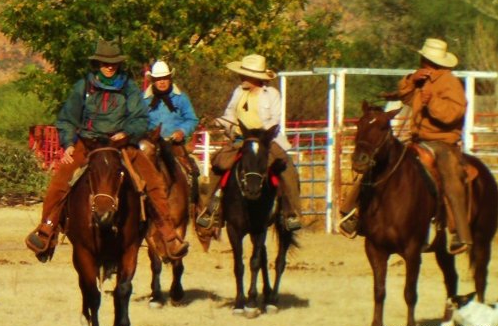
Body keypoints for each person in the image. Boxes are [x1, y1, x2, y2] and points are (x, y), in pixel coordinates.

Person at [24, 40, 190, 263]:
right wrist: (68, 143)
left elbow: (140, 119)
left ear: (118, 64)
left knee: (153, 182)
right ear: (98, 63)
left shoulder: (129, 88)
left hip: (121, 145)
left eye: (113, 63)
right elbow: (67, 118)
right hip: (88, 144)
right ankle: (46, 231)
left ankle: (169, 235)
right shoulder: (83, 87)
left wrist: (127, 132)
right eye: (105, 62)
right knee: (60, 180)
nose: (109, 66)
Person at [338, 38, 472, 254]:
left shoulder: (450, 83)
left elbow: (453, 114)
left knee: (451, 176)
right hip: (417, 139)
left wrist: (432, 102)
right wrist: (411, 80)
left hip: (442, 141)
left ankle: (460, 234)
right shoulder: (423, 79)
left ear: (430, 60)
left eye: (424, 59)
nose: (421, 61)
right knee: (380, 163)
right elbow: (406, 97)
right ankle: (354, 212)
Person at [195, 54, 303, 232]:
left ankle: (291, 212)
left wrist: (258, 133)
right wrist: (218, 121)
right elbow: (230, 114)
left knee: (287, 168)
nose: (241, 78)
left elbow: (275, 120)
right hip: (241, 139)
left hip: (266, 140)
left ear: (256, 78)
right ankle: (209, 209)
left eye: (245, 75)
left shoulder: (272, 94)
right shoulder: (238, 92)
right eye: (242, 74)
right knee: (218, 163)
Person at [143, 60, 201, 192]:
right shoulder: (144, 100)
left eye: (165, 78)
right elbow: (138, 120)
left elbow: (191, 119)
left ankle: (194, 206)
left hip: (175, 144)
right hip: (151, 144)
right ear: (153, 80)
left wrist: (182, 131)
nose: (162, 82)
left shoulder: (181, 98)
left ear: (170, 78)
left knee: (192, 172)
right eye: (158, 79)